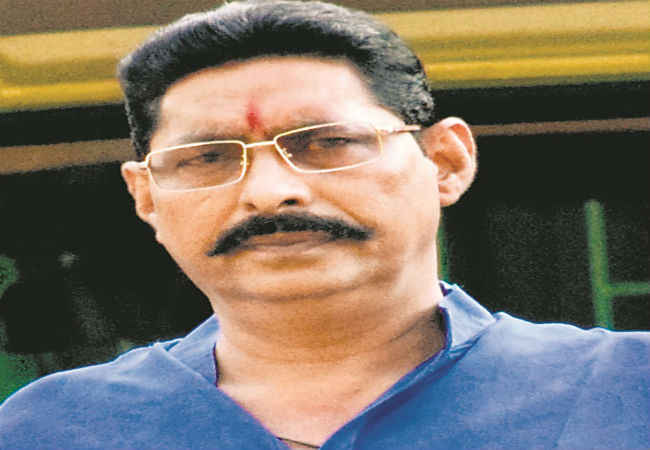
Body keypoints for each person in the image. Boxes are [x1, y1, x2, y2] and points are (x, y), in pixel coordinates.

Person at [1, 1, 648, 448]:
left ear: (446, 162)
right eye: (208, 157)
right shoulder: (54, 430)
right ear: (146, 197)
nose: (270, 193)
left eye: (328, 142)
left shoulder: (627, 393)